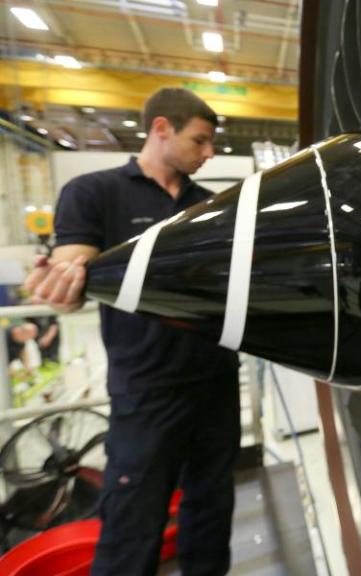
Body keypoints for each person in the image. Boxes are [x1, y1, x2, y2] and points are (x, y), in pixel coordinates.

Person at [24, 88, 240, 576]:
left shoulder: (213, 205)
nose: (208, 154)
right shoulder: (94, 193)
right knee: (132, 519)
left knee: (211, 509)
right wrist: (63, 281)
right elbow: (73, 272)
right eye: (200, 141)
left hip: (216, 380)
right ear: (161, 128)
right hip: (147, 389)